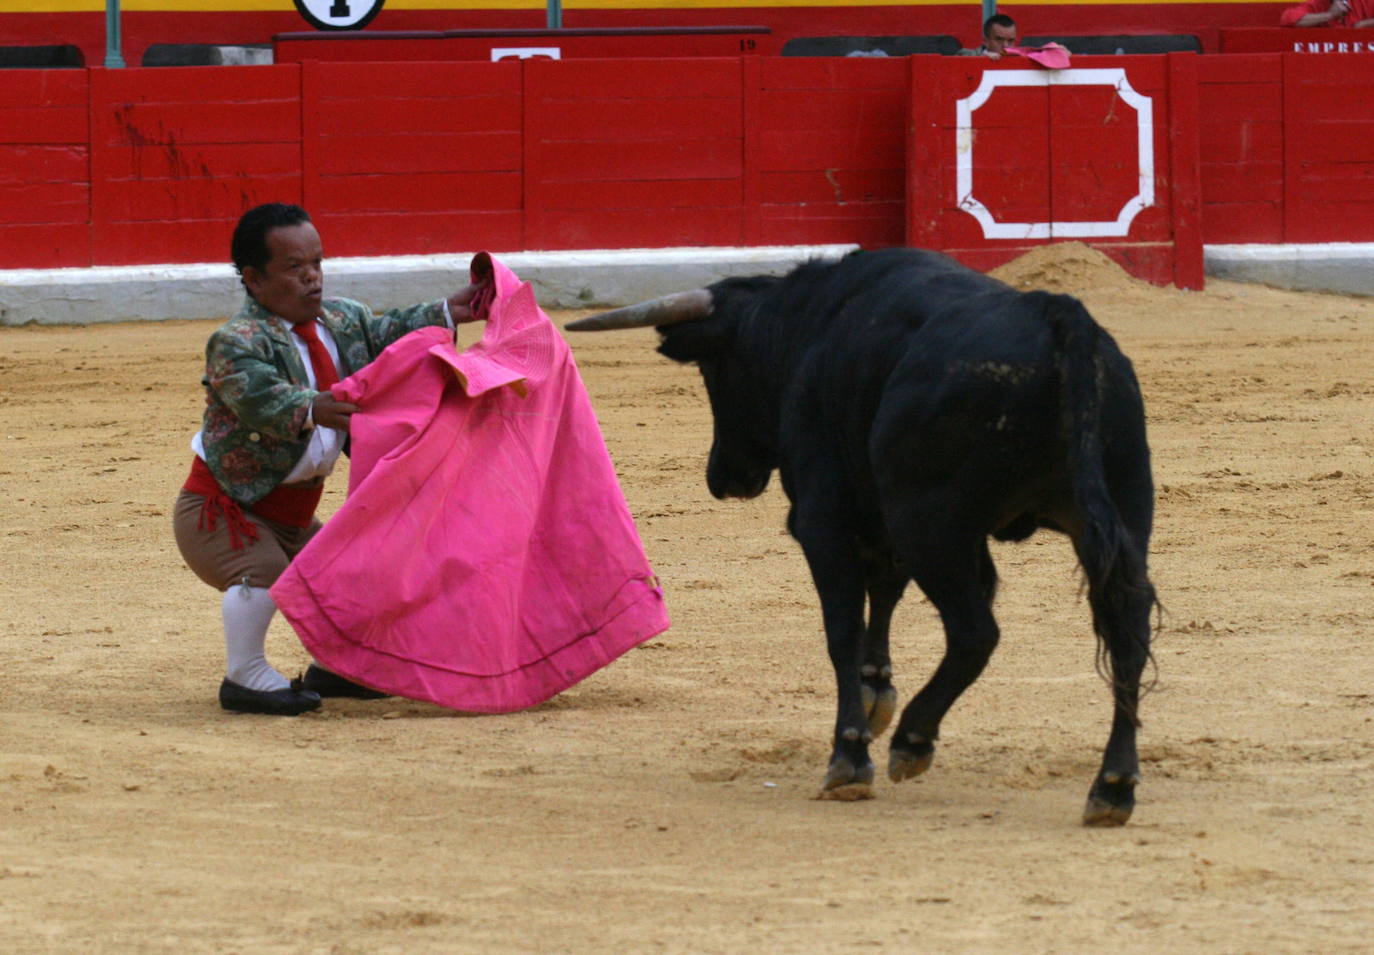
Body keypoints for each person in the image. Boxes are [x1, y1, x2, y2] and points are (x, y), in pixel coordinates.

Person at [173, 202, 488, 715]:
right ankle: (244, 675)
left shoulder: (345, 319)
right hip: (224, 510)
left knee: (349, 576)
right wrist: (313, 406)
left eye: (316, 263)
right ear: (253, 278)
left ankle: (340, 669)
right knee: (265, 572)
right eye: (294, 268)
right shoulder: (235, 342)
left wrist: (452, 311)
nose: (311, 278)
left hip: (294, 512)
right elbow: (258, 396)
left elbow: (392, 336)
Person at [1280, 0, 1374, 26]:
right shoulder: (1318, 4)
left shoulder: (1365, 2)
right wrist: (1330, 15)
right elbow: (1287, 18)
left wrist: (1364, 24)